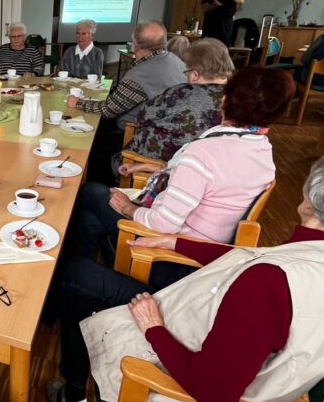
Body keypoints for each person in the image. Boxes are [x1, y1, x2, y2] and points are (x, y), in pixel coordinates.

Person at [47, 138, 324, 402]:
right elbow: (261, 261)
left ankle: (75, 390)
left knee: (76, 276)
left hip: (183, 395)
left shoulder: (270, 284)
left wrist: (152, 325)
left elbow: (213, 391)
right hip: (237, 360)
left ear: (320, 193)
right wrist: (178, 242)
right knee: (84, 265)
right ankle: (73, 380)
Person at [68, 66, 295, 270]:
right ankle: (97, 265)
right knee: (91, 221)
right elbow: (213, 178)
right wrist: (160, 167)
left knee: (91, 193)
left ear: (225, 100)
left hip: (173, 255)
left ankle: (86, 272)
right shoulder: (261, 149)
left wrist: (128, 208)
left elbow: (161, 224)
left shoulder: (204, 154)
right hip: (209, 248)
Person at [119, 38, 234, 169]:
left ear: (195, 75)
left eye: (187, 72)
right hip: (207, 168)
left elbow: (143, 115)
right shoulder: (238, 97)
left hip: (155, 164)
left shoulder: (181, 93)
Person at [68, 20, 185, 130]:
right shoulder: (176, 60)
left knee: (89, 127)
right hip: (170, 128)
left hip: (135, 132)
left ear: (135, 47)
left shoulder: (139, 75)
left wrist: (78, 102)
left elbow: (107, 110)